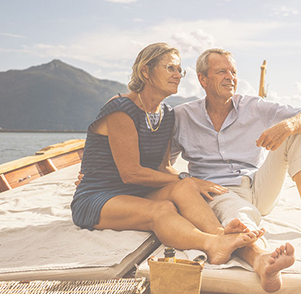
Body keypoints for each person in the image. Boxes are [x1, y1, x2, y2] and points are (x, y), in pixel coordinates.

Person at [171, 48, 301, 292]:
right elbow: (162, 167)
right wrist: (190, 181)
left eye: (233, 71)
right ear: (202, 79)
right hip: (218, 191)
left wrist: (287, 125)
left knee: (297, 133)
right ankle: (262, 259)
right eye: (221, 71)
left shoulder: (253, 107)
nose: (230, 77)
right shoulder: (181, 116)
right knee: (240, 214)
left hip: (259, 186)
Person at [71, 43, 258, 264]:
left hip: (138, 192)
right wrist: (191, 180)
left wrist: (190, 182)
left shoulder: (167, 114)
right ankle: (211, 244)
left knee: (185, 185)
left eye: (180, 70)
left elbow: (162, 168)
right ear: (145, 71)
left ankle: (219, 234)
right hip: (100, 196)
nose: (178, 75)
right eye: (171, 68)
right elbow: (130, 174)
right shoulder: (121, 109)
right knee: (163, 209)